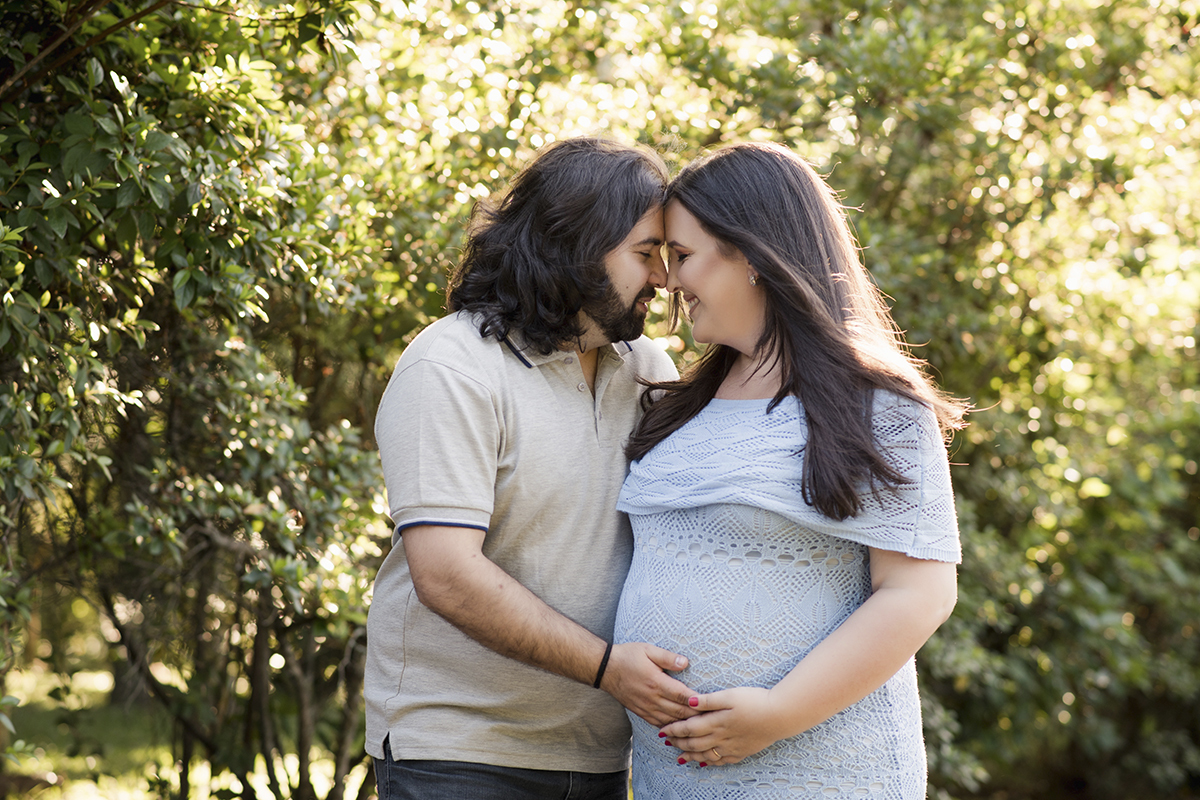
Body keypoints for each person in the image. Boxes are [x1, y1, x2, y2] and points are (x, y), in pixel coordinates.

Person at [613, 141, 969, 799]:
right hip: (679, 777)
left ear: (750, 255)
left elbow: (919, 593)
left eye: (684, 256)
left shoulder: (878, 406)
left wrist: (778, 716)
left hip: (822, 768)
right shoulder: (677, 403)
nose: (667, 280)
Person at [365, 136, 699, 800]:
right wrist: (609, 669)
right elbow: (447, 576)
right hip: (458, 754)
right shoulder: (452, 366)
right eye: (644, 255)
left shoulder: (649, 371)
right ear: (577, 244)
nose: (662, 280)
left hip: (603, 754)